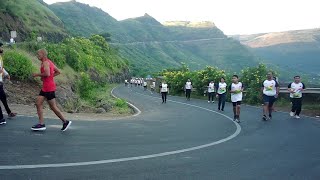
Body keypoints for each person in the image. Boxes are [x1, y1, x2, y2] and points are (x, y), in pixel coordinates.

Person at [31, 49, 71, 131]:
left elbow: (47, 73)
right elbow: (57, 72)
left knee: (53, 107)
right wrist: (48, 78)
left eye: (38, 54)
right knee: (38, 103)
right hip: (46, 87)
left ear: (43, 54)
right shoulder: (49, 62)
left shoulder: (46, 62)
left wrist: (37, 74)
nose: (37, 55)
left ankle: (65, 121)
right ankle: (41, 124)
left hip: (49, 88)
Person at [0, 43, 17, 125]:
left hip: (0, 82)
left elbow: (1, 68)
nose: (1, 48)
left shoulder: (0, 57)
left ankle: (2, 117)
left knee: (3, 98)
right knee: (3, 97)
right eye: (0, 47)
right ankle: (4, 116)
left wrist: (6, 74)